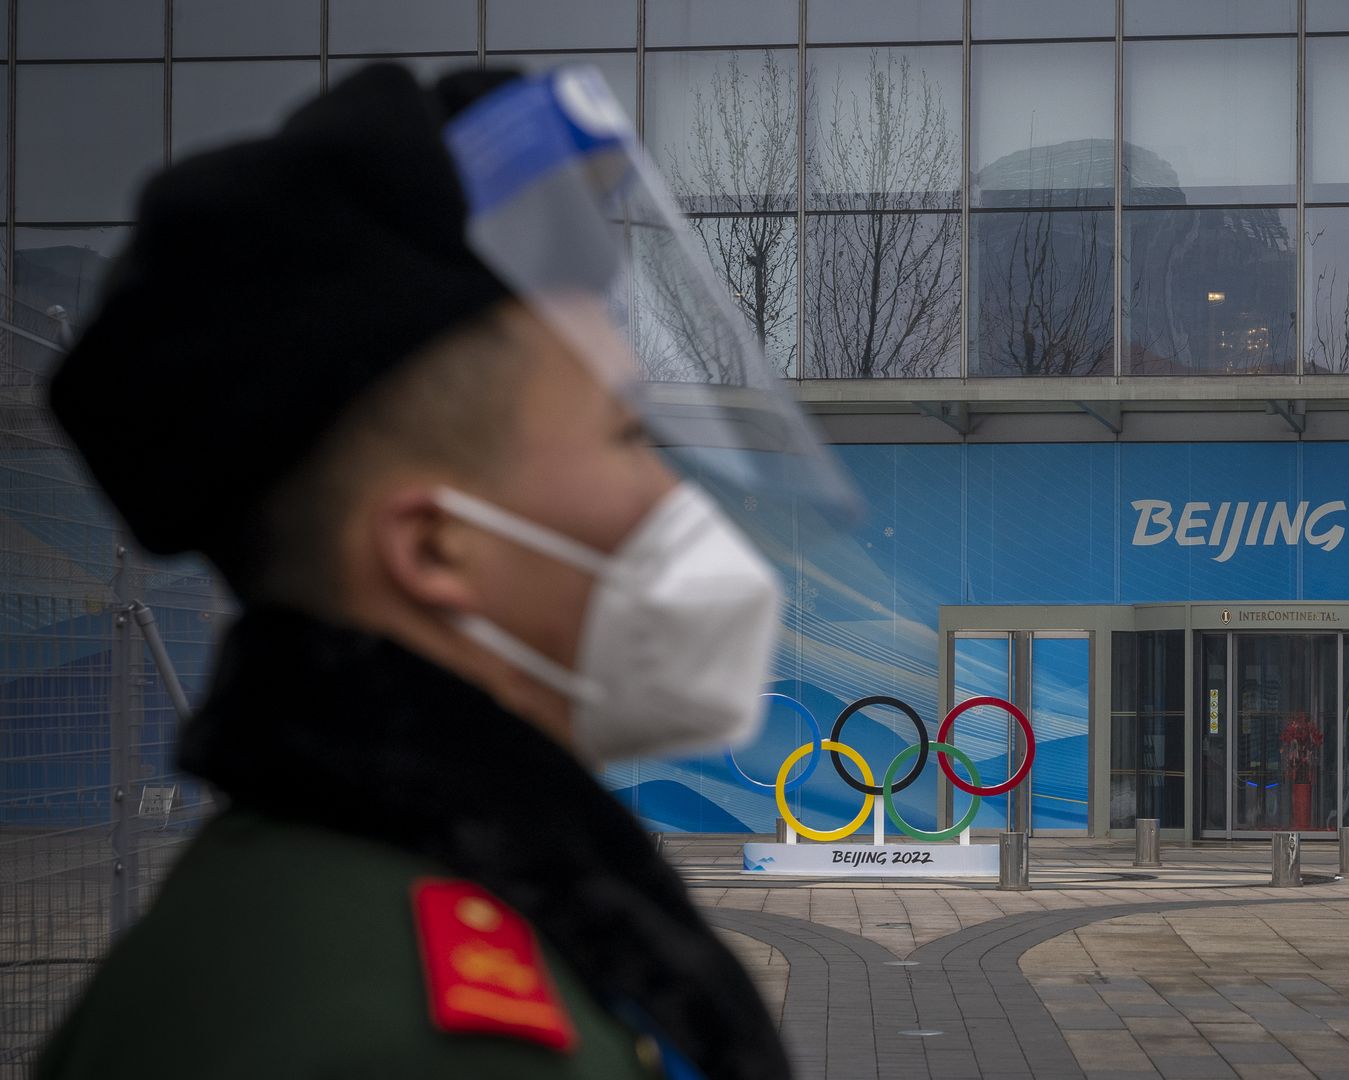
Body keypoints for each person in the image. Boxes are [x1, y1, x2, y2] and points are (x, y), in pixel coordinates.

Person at [35, 61, 855, 1079]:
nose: (674, 498)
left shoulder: (328, 903)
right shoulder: (411, 1037)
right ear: (432, 548)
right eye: (627, 435)